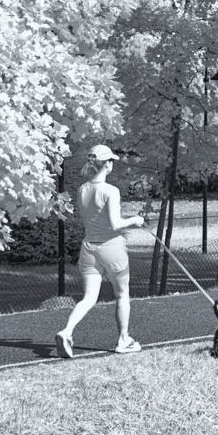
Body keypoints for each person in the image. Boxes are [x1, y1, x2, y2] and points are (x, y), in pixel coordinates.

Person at [57, 144, 143, 358]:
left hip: (88, 249)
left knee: (88, 298)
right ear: (106, 164)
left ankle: (66, 332)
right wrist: (136, 220)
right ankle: (123, 339)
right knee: (122, 294)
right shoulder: (110, 191)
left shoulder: (82, 189)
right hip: (112, 248)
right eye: (111, 160)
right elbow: (115, 224)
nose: (113, 164)